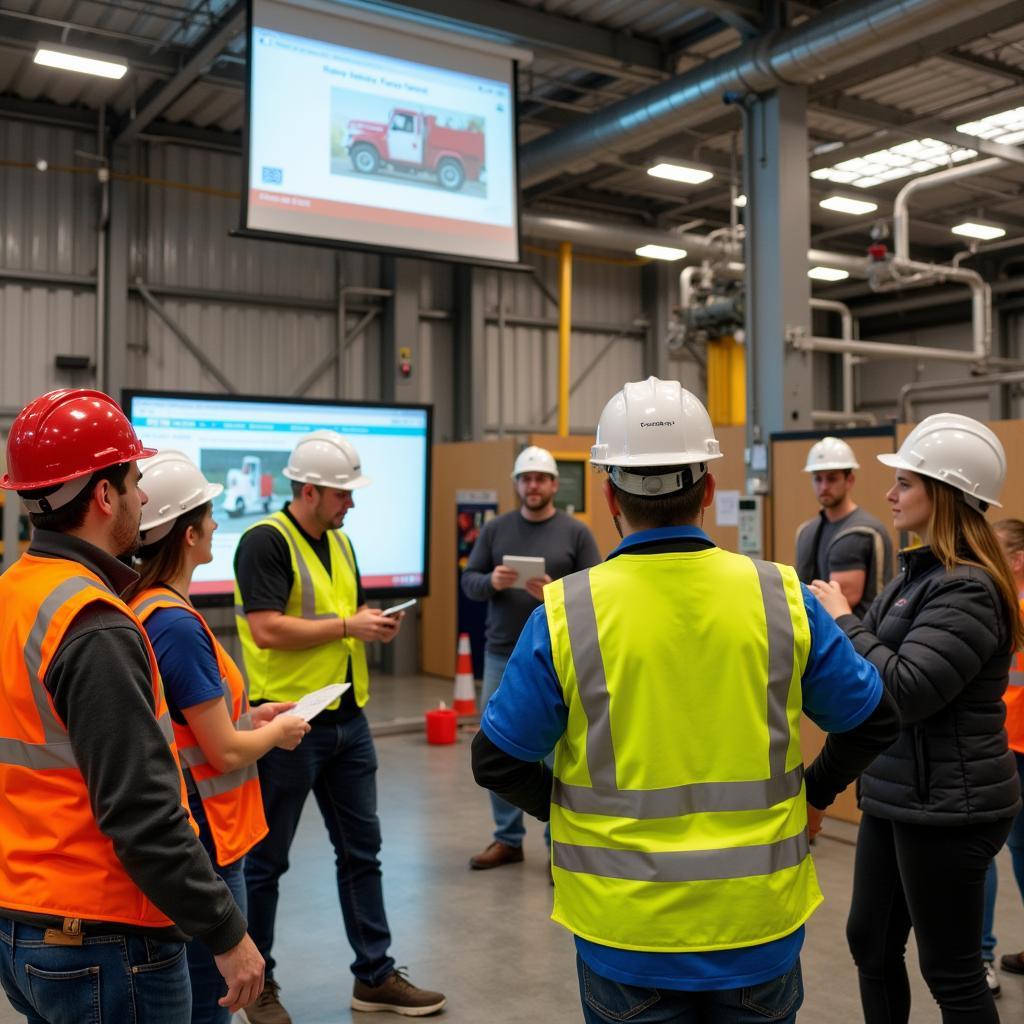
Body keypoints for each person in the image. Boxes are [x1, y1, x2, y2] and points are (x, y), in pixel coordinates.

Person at [472, 376, 899, 1024]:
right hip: (759, 929)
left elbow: (496, 761)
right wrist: (812, 796)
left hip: (626, 935)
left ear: (609, 494)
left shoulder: (567, 613)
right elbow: (875, 721)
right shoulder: (779, 598)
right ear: (705, 491)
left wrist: (567, 818)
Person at [0, 389, 264, 1023]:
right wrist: (227, 932)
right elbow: (141, 810)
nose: (143, 499)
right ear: (104, 495)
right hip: (105, 935)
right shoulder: (93, 623)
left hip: (24, 919)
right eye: (134, 479)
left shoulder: (16, 591)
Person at [810, 412, 1022, 1024]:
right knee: (870, 944)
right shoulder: (916, 575)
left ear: (945, 495)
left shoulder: (969, 588)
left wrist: (844, 619)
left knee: (950, 971)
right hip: (899, 792)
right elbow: (864, 669)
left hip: (951, 804)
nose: (889, 494)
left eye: (904, 483)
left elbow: (904, 689)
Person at [234, 430, 445, 1022]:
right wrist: (350, 627)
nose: (349, 504)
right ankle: (260, 986)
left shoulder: (341, 542)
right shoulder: (263, 542)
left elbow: (335, 618)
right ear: (308, 490)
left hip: (348, 720)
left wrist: (368, 625)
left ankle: (374, 977)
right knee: (266, 862)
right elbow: (268, 628)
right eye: (341, 494)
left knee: (362, 853)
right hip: (289, 724)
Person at [124, 450, 311, 1024]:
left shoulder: (151, 607)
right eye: (207, 516)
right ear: (187, 534)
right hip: (209, 836)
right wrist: (276, 731)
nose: (214, 525)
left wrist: (252, 714)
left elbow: (191, 724)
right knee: (211, 1000)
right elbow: (222, 750)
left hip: (200, 828)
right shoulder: (176, 624)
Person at [461, 445, 601, 870]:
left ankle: (560, 840)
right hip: (503, 652)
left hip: (563, 653)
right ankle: (508, 838)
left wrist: (554, 593)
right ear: (517, 484)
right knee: (501, 743)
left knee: (562, 750)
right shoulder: (496, 530)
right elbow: (469, 582)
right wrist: (492, 581)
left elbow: (595, 587)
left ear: (554, 485)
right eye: (526, 478)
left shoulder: (575, 533)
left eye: (541, 479)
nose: (533, 485)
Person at [979, 518, 1024, 995]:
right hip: (1003, 745)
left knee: (991, 854)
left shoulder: (1008, 608)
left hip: (1009, 747)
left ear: (1017, 560)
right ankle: (983, 956)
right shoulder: (997, 605)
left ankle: (982, 958)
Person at [795, 436, 893, 618]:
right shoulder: (806, 531)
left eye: (832, 479)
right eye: (818, 479)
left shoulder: (859, 533)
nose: (824, 486)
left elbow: (840, 600)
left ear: (850, 480)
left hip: (855, 639)